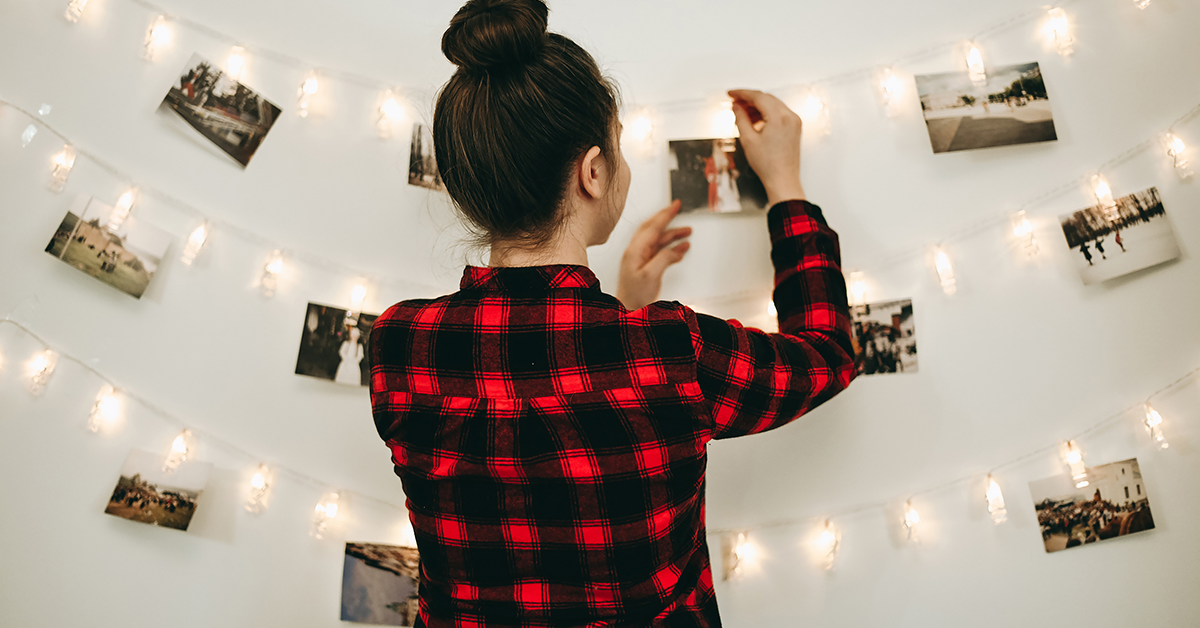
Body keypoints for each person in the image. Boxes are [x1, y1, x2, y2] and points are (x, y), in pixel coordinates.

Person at [367, 1, 857, 626]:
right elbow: (828, 354)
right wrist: (786, 184)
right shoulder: (668, 350)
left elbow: (535, 426)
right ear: (594, 172)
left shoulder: (399, 347)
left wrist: (624, 307)